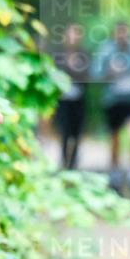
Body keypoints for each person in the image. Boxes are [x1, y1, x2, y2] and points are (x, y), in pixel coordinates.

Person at [93, 21, 130, 198]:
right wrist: (110, 72)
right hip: (113, 101)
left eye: (125, 33)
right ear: (114, 34)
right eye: (119, 33)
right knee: (115, 139)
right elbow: (95, 74)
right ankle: (115, 176)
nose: (122, 36)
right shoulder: (106, 51)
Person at [51, 23, 89, 170]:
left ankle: (73, 163)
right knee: (64, 132)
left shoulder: (84, 55)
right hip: (62, 101)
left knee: (76, 133)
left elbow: (86, 76)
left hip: (78, 101)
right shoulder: (58, 55)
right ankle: (64, 162)